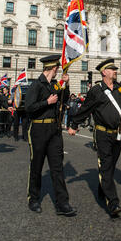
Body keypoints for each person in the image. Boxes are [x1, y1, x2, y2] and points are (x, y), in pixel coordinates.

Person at [68, 58, 121, 217]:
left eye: (115, 69)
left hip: (118, 133)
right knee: (106, 165)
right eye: (112, 69)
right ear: (104, 72)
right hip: (103, 133)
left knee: (111, 165)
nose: (115, 71)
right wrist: (74, 125)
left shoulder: (120, 88)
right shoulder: (97, 90)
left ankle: (103, 187)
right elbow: (86, 109)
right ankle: (113, 203)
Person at [25, 55, 76, 217]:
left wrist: (66, 84)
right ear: (53, 68)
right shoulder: (36, 85)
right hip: (39, 129)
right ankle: (33, 198)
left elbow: (63, 98)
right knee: (37, 165)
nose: (57, 72)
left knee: (57, 167)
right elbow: (29, 107)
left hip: (54, 130)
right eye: (57, 70)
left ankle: (62, 203)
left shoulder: (55, 85)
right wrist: (46, 102)